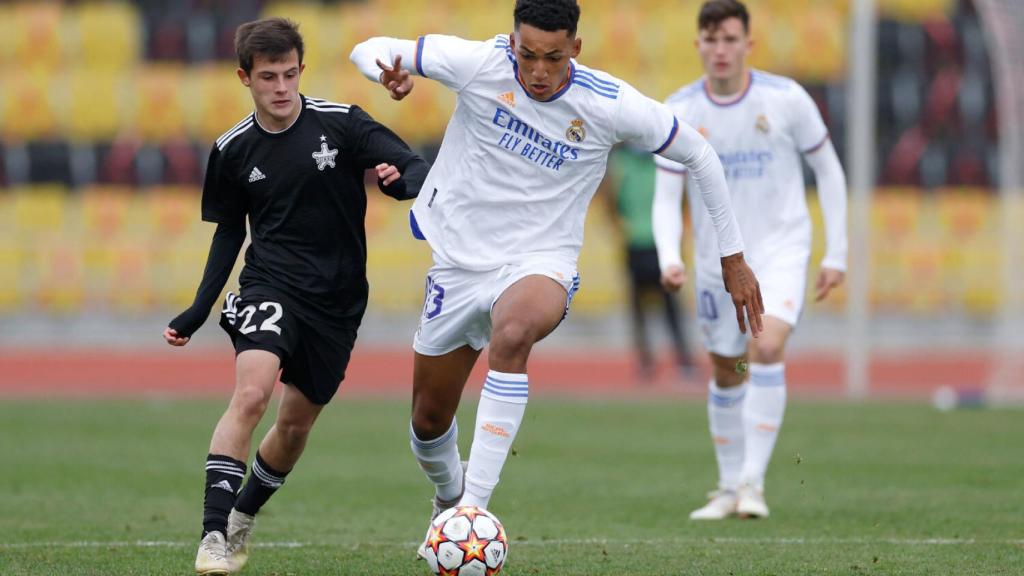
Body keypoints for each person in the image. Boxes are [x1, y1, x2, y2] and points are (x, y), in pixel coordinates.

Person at [348, 0, 763, 558]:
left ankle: (473, 511)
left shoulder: (608, 103)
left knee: (514, 332)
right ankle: (449, 501)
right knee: (427, 422)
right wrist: (385, 72)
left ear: (576, 48)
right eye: (527, 55)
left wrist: (731, 258)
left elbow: (700, 154)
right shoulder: (477, 62)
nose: (538, 71)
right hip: (458, 261)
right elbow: (368, 47)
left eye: (553, 56)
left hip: (540, 262)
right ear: (511, 41)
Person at [162, 18, 429, 575]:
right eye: (268, 77)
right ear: (244, 78)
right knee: (253, 394)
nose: (281, 87)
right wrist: (199, 308)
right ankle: (212, 535)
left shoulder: (342, 124)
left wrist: (396, 183)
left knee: (293, 426)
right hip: (270, 284)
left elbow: (415, 166)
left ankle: (242, 517)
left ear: (301, 71)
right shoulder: (232, 150)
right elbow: (230, 232)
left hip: (338, 300)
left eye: (289, 74)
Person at [653, 0, 848, 520]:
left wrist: (838, 251)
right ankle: (726, 487)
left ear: (748, 44)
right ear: (697, 44)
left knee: (764, 346)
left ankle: (753, 486)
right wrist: (670, 255)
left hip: (781, 249)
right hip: (716, 264)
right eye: (711, 39)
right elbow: (666, 193)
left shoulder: (786, 100)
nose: (721, 49)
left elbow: (828, 170)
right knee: (727, 369)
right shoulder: (680, 110)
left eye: (730, 39)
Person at [604, 144, 696, 382]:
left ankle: (678, 361)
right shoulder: (625, 163)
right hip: (638, 243)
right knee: (643, 307)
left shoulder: (648, 162)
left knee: (667, 306)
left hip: (659, 244)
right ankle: (653, 362)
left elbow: (611, 200)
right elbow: (611, 200)